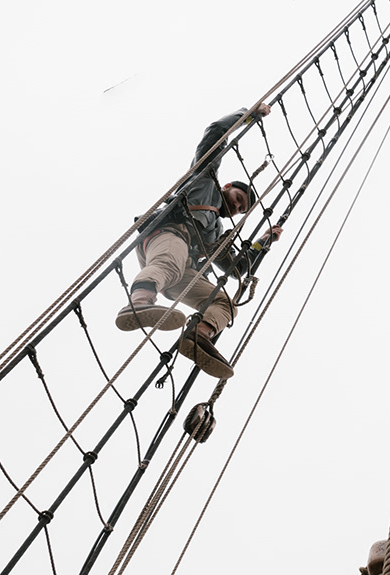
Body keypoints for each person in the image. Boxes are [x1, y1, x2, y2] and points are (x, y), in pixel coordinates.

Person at [117, 104, 285, 380]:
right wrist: (248, 114)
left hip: (182, 268)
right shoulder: (204, 182)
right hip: (166, 237)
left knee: (225, 304)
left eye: (242, 210)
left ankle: (198, 335)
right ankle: (139, 301)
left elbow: (237, 268)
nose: (237, 208)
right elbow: (216, 132)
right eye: (238, 201)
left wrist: (262, 242)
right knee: (170, 262)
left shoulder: (215, 232)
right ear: (228, 187)